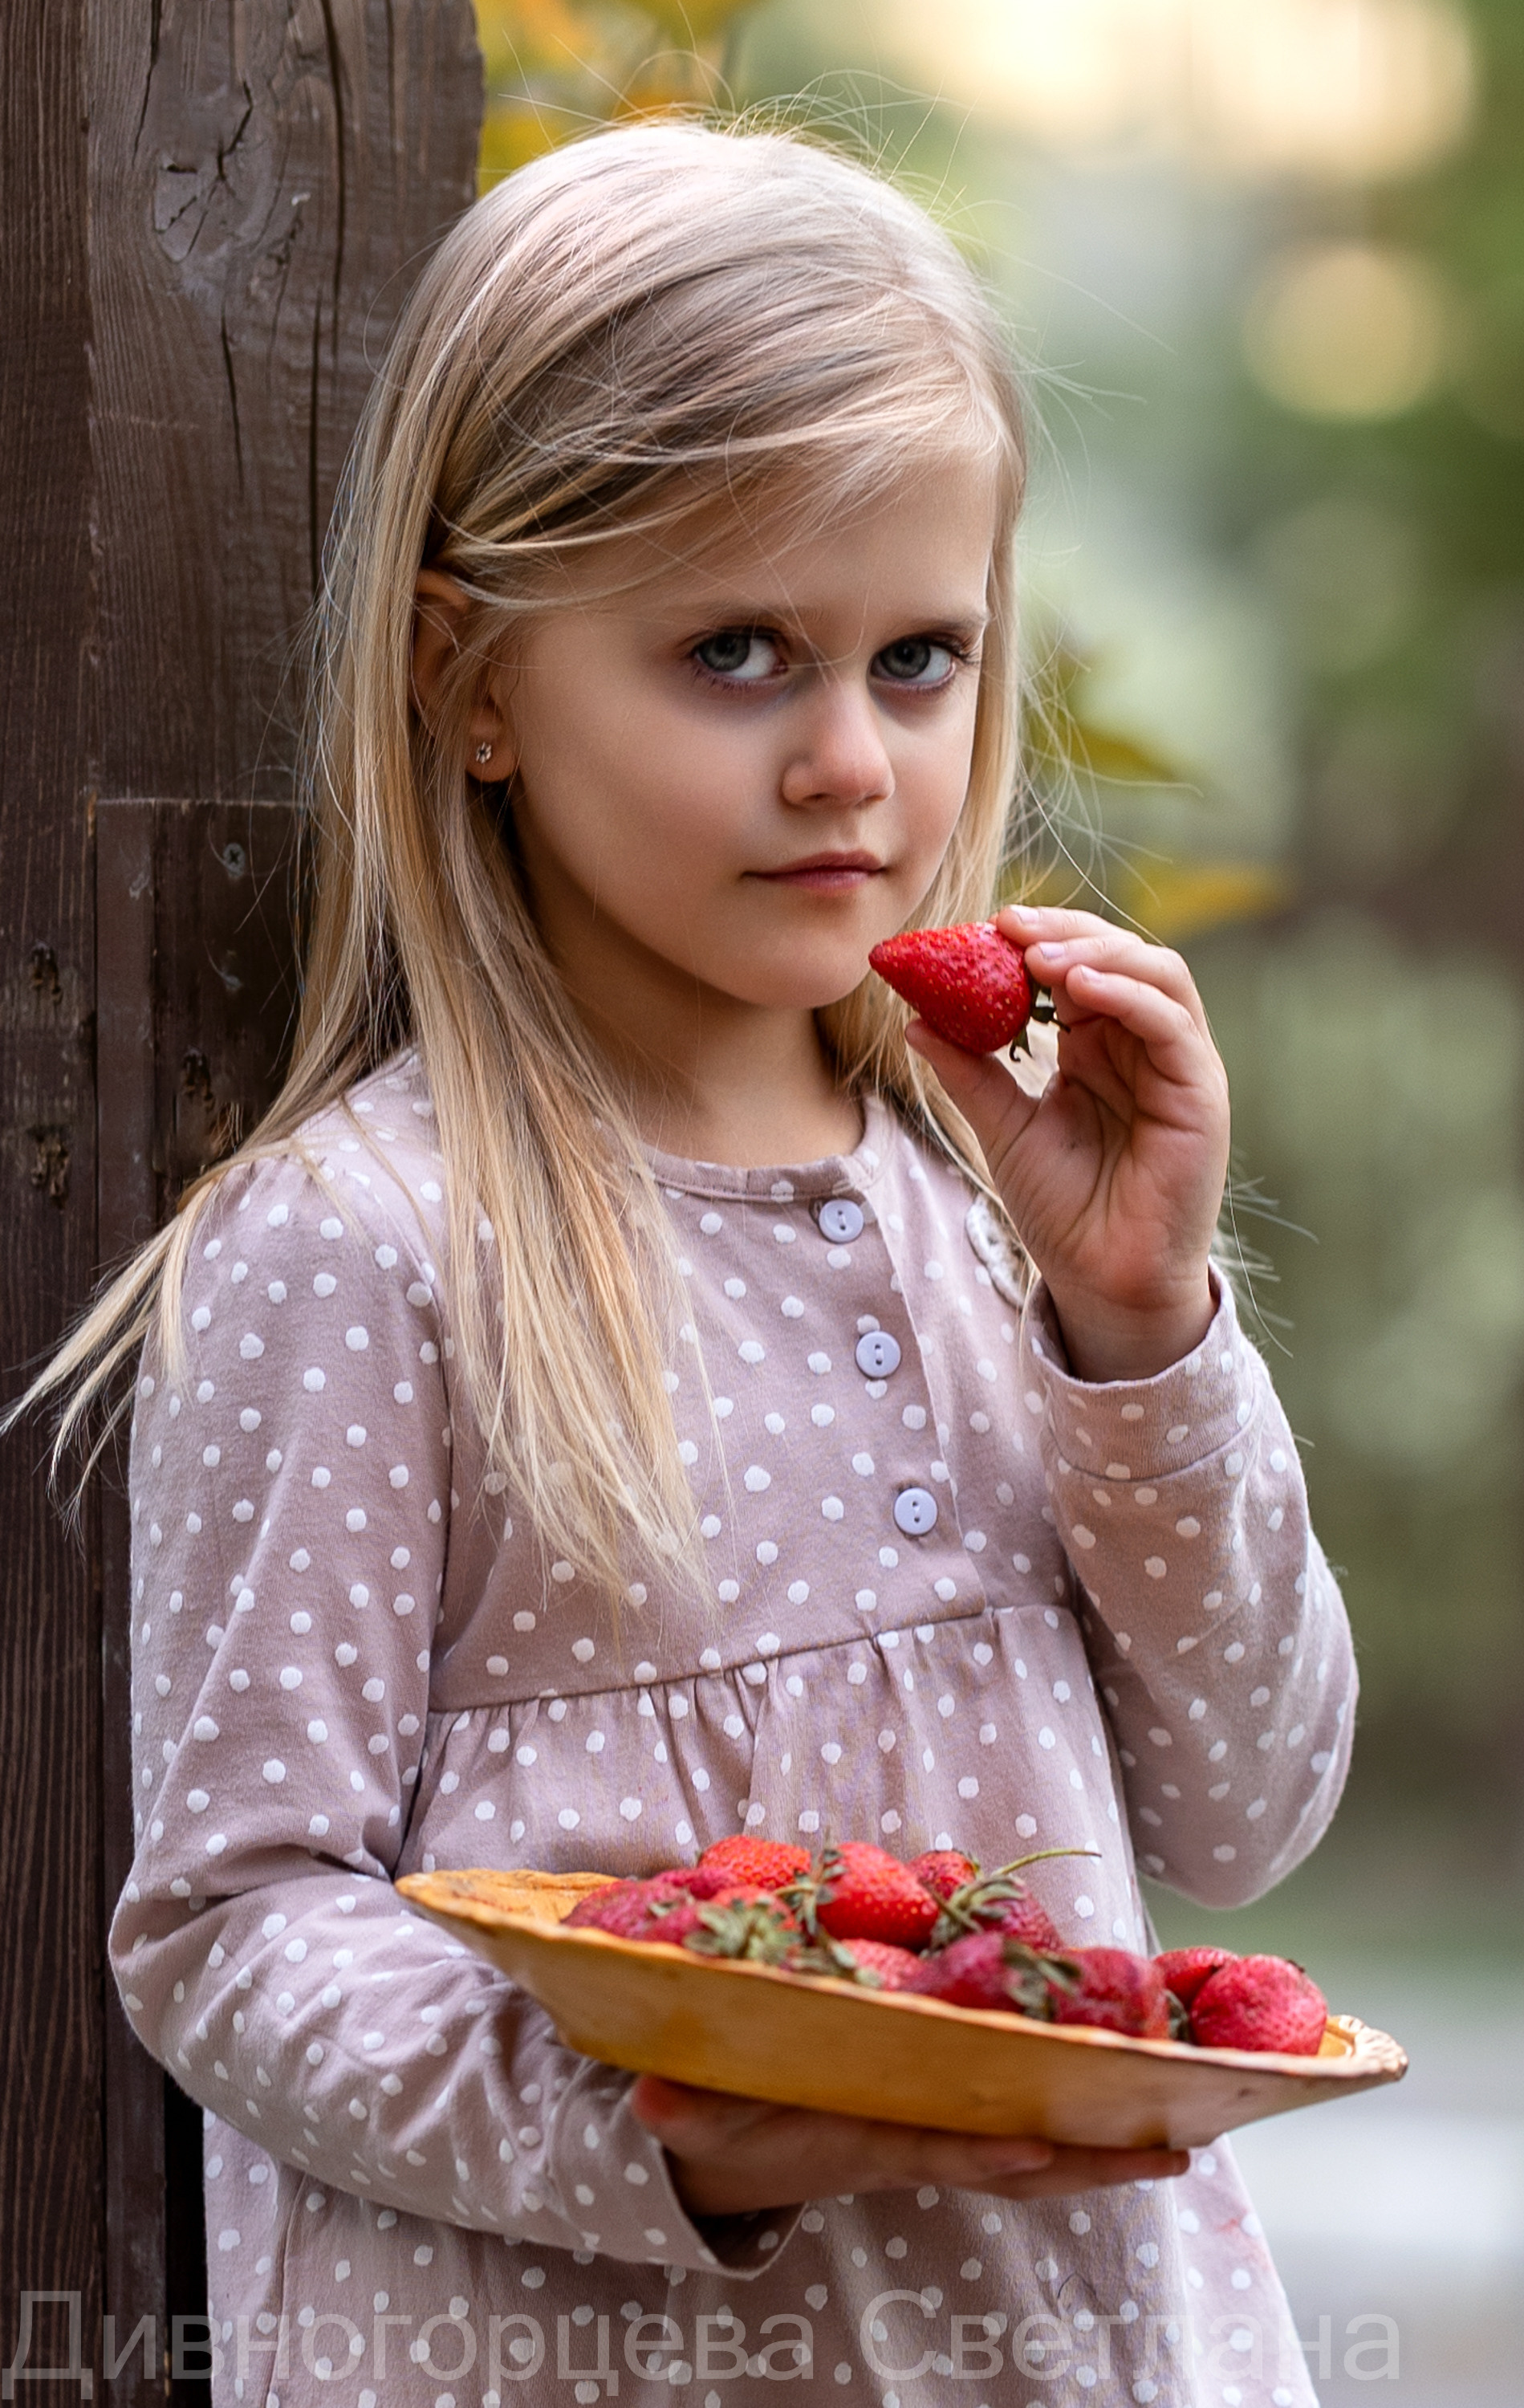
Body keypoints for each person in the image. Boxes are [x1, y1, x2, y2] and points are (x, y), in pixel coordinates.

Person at [29, 120, 1354, 2407]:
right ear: (469, 680)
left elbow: (1245, 1807)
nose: (853, 760)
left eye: (920, 658)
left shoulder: (989, 1209)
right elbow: (232, 1929)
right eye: (736, 651)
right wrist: (678, 2133)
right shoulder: (363, 1249)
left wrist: (1144, 1336)